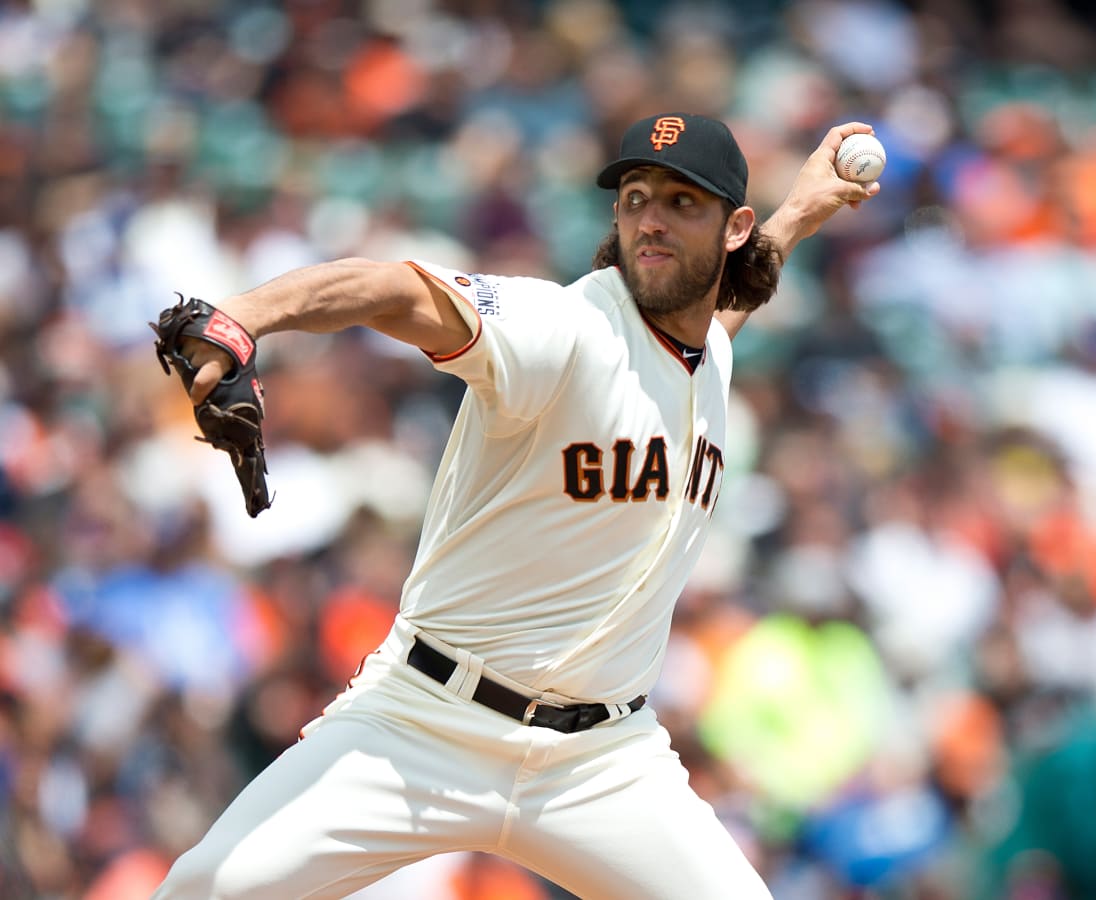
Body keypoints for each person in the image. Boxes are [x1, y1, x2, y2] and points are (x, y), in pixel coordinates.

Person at [151, 112, 880, 900]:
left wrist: (800, 213)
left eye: (683, 202)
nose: (652, 220)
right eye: (636, 198)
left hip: (602, 762)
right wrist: (244, 318)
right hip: (426, 723)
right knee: (205, 888)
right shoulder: (561, 326)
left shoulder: (709, 358)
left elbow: (715, 319)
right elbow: (395, 291)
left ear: (734, 227)